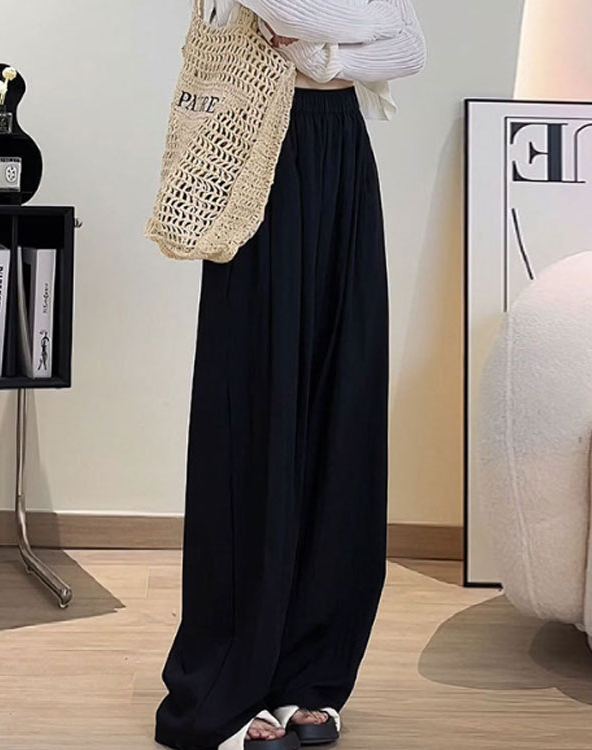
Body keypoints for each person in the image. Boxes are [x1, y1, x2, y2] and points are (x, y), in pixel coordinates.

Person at [154, 2, 426, 749]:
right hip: (257, 154)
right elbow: (290, 8)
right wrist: (358, 26)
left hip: (343, 150)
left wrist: (327, 56)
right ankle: (226, 679)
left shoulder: (331, 60)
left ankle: (313, 672)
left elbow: (410, 48)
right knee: (256, 408)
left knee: (345, 401)